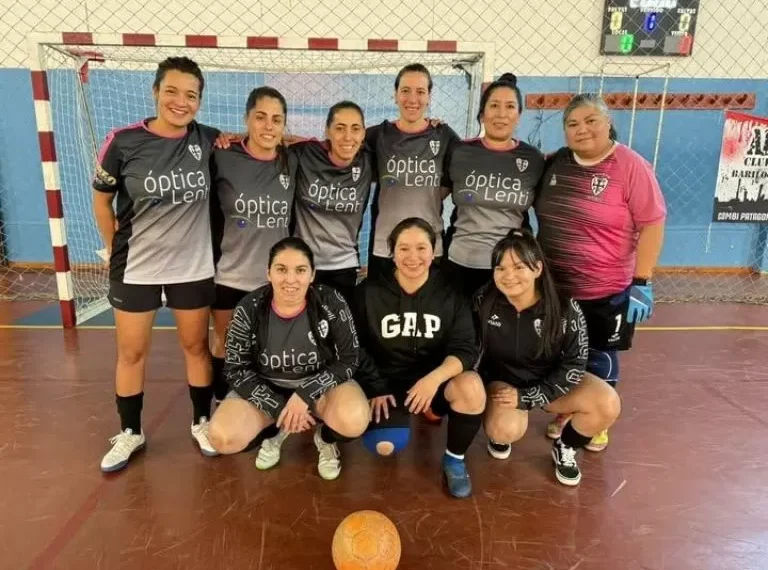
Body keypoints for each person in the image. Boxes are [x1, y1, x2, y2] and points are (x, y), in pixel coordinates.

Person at [92, 56, 221, 472]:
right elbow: (101, 199)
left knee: (195, 347)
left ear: (199, 102)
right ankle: (131, 432)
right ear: (155, 92)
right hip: (136, 267)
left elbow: (255, 141)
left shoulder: (207, 140)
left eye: (191, 95)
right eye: (172, 91)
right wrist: (112, 246)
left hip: (192, 267)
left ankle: (202, 422)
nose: (180, 102)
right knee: (131, 353)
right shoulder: (123, 142)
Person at [534, 93, 666, 452]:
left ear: (608, 122)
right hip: (556, 288)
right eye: (573, 124)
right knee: (562, 354)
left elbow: (652, 224)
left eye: (591, 120)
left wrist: (642, 281)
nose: (582, 129)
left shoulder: (630, 166)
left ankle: (596, 420)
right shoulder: (555, 163)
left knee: (599, 355)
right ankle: (567, 411)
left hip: (606, 288)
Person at [206, 237, 369, 481]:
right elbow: (235, 370)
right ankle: (275, 431)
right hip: (268, 389)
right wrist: (279, 407)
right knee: (222, 437)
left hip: (319, 390)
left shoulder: (330, 301)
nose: (290, 279)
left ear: (312, 274)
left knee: (354, 419)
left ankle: (324, 439)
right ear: (268, 273)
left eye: (300, 270)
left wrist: (305, 394)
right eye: (281, 269)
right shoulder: (249, 308)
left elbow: (349, 358)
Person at [474, 229, 621, 486]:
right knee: (504, 430)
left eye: (519, 267)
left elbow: (575, 366)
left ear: (538, 268)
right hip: (506, 382)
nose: (509, 276)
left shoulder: (564, 308)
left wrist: (531, 396)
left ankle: (565, 447)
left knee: (608, 403)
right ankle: (500, 430)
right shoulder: (483, 301)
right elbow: (469, 348)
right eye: (501, 268)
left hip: (550, 382)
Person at [353, 217, 486, 499]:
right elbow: (354, 346)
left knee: (471, 388)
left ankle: (454, 459)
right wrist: (375, 386)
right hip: (388, 384)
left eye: (421, 248)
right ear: (391, 252)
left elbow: (465, 349)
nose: (413, 257)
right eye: (403, 249)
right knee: (385, 446)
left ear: (433, 251)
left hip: (432, 382)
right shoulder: (368, 293)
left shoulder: (450, 294)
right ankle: (415, 412)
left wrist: (434, 379)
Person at [209, 86, 298, 403]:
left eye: (276, 119)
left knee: (266, 347)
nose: (268, 126)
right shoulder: (222, 155)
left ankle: (264, 403)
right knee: (225, 342)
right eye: (260, 117)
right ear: (247, 119)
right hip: (230, 275)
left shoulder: (292, 160)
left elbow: (320, 144)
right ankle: (220, 399)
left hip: (272, 280)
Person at [442, 73, 546, 298]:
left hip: (511, 268)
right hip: (461, 263)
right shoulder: (459, 151)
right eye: (494, 105)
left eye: (510, 106)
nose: (501, 114)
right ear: (482, 113)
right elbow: (434, 195)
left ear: (519, 115)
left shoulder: (533, 159)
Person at [365, 64, 460, 280]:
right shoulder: (378, 135)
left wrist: (432, 193)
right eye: (405, 90)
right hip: (385, 245)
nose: (412, 99)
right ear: (395, 95)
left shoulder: (443, 135)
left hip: (429, 247)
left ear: (429, 97)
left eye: (420, 92)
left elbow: (461, 174)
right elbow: (340, 144)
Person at [290, 101, 375, 302]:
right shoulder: (306, 153)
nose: (347, 137)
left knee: (338, 330)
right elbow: (274, 140)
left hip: (344, 267)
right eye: (339, 128)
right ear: (327, 131)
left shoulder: (369, 161)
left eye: (355, 129)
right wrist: (228, 138)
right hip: (303, 265)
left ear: (363, 133)